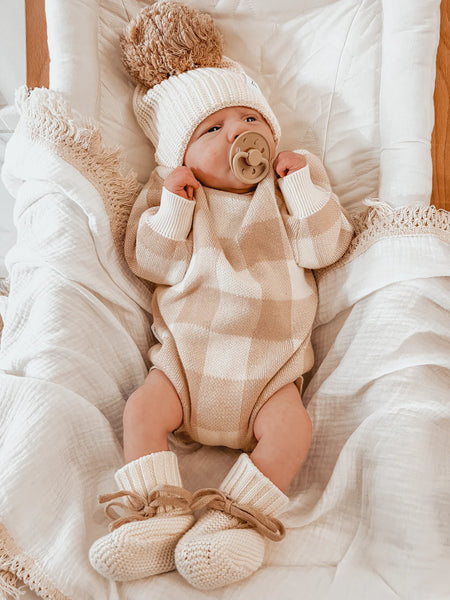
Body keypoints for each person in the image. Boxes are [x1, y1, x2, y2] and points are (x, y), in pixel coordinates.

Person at [89, 1, 354, 590]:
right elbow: (150, 264)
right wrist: (174, 206)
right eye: (212, 129)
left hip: (269, 376)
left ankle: (236, 520)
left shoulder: (290, 189)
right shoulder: (177, 200)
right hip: (186, 369)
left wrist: (301, 188)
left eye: (248, 118)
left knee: (293, 431)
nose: (238, 133)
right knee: (141, 412)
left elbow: (326, 248)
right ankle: (157, 512)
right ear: (180, 157)